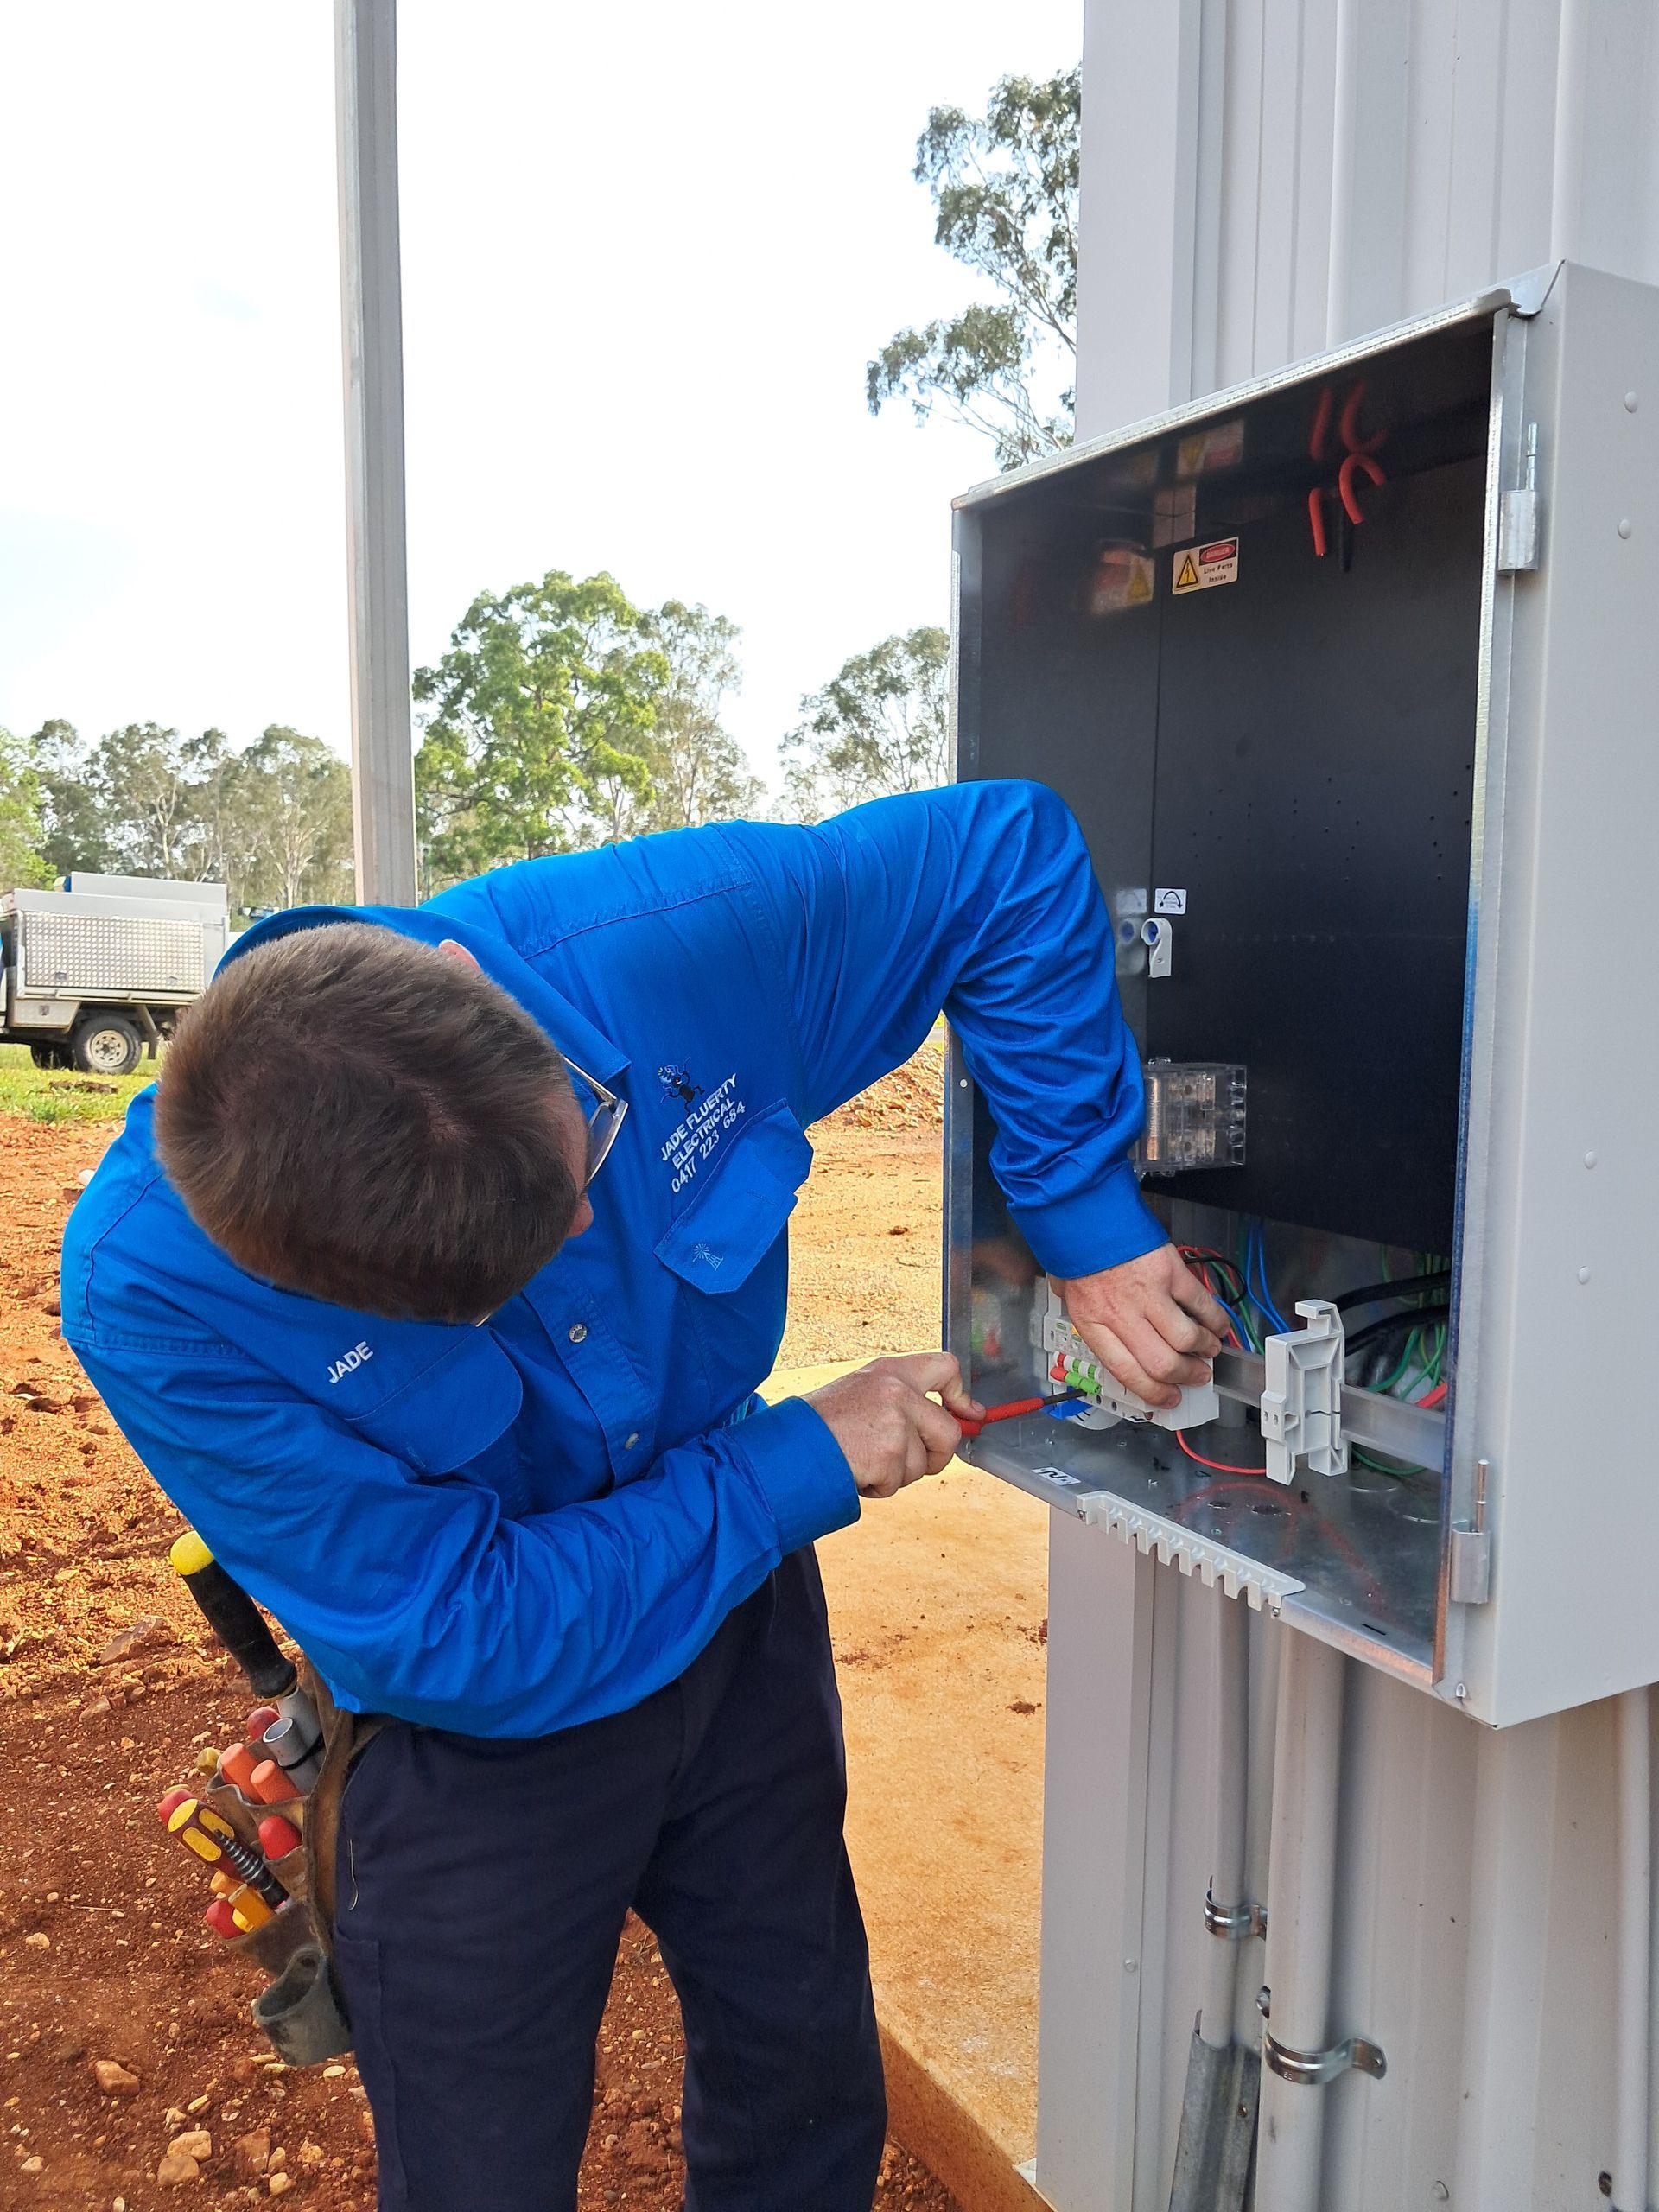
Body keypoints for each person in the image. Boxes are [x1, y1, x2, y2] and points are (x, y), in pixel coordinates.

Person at [60, 779, 1225, 2212]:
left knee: (802, 2071)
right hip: (479, 1721)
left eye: (586, 1160)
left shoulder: (676, 944)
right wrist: (795, 1464)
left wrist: (1087, 1223)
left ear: (472, 981)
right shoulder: (155, 1291)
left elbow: (1009, 857)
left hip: (737, 1633)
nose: (580, 1229)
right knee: (479, 2163)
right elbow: (460, 1631)